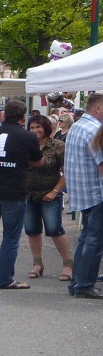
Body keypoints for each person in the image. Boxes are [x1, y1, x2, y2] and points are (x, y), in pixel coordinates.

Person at [0, 99, 42, 290]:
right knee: (11, 236)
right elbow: (38, 162)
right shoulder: (27, 136)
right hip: (13, 190)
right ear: (23, 116)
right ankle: (5, 278)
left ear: (2, 115)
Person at [23, 114, 72, 281]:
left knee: (54, 229)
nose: (35, 130)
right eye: (32, 127)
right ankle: (37, 264)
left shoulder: (57, 146)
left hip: (50, 194)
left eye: (38, 127)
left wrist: (55, 191)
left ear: (46, 128)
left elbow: (67, 172)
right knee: (32, 230)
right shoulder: (25, 145)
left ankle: (67, 264)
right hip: (29, 194)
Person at [63, 93, 103, 298]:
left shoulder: (77, 126)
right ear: (98, 108)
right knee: (94, 241)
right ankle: (84, 285)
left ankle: (78, 282)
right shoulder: (95, 129)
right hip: (97, 193)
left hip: (82, 192)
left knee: (87, 238)